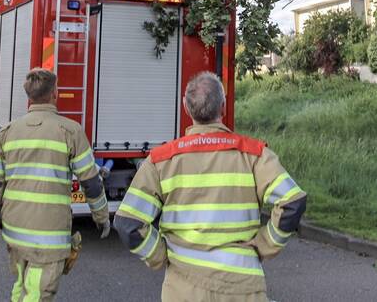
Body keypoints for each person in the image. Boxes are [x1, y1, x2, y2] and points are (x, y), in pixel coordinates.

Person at [114, 72, 307, 302]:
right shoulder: (254, 154)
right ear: (223, 108)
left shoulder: (161, 160)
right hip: (243, 287)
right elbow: (292, 201)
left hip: (182, 289)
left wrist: (158, 256)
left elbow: (128, 223)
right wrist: (265, 246)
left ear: (186, 109)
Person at [0, 68, 110, 302]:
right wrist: (101, 217)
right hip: (49, 236)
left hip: (14, 231)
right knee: (39, 293)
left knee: (22, 285)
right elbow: (90, 183)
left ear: (28, 97)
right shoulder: (70, 131)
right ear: (55, 93)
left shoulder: (7, 133)